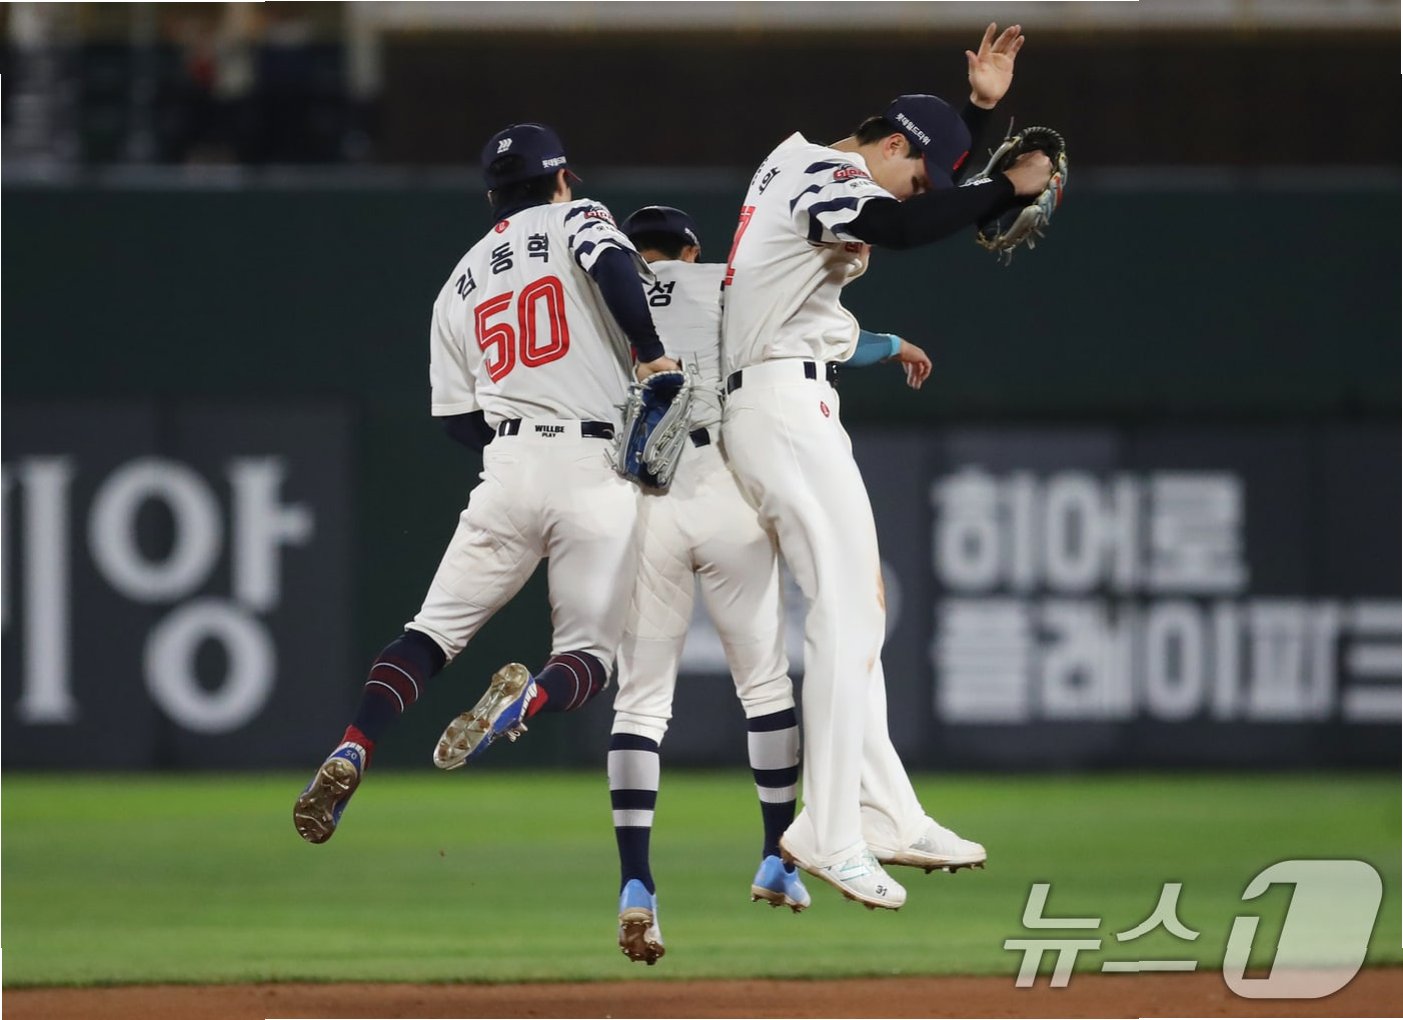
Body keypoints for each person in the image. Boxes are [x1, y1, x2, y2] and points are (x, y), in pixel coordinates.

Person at [717, 23, 1053, 910]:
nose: (923, 186)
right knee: (843, 615)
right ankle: (828, 829)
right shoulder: (818, 173)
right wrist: (999, 188)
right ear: (891, 147)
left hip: (790, 401)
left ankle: (886, 813)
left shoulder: (814, 167)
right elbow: (899, 224)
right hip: (777, 403)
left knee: (855, 613)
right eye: (919, 170)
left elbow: (913, 187)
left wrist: (976, 113)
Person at [294, 122, 678, 844]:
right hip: (593, 465)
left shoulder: (458, 282)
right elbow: (613, 266)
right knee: (588, 656)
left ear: (493, 197)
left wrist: (513, 447)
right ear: (560, 179)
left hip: (506, 466)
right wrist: (652, 353)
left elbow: (454, 420)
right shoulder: (578, 217)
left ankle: (354, 743)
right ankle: (525, 702)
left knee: (428, 635)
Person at [609, 205, 935, 963]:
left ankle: (635, 884)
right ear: (690, 247)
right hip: (726, 492)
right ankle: (776, 858)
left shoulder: (603, 300)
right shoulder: (725, 282)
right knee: (764, 689)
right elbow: (817, 339)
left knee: (639, 703)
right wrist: (894, 345)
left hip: (645, 506)